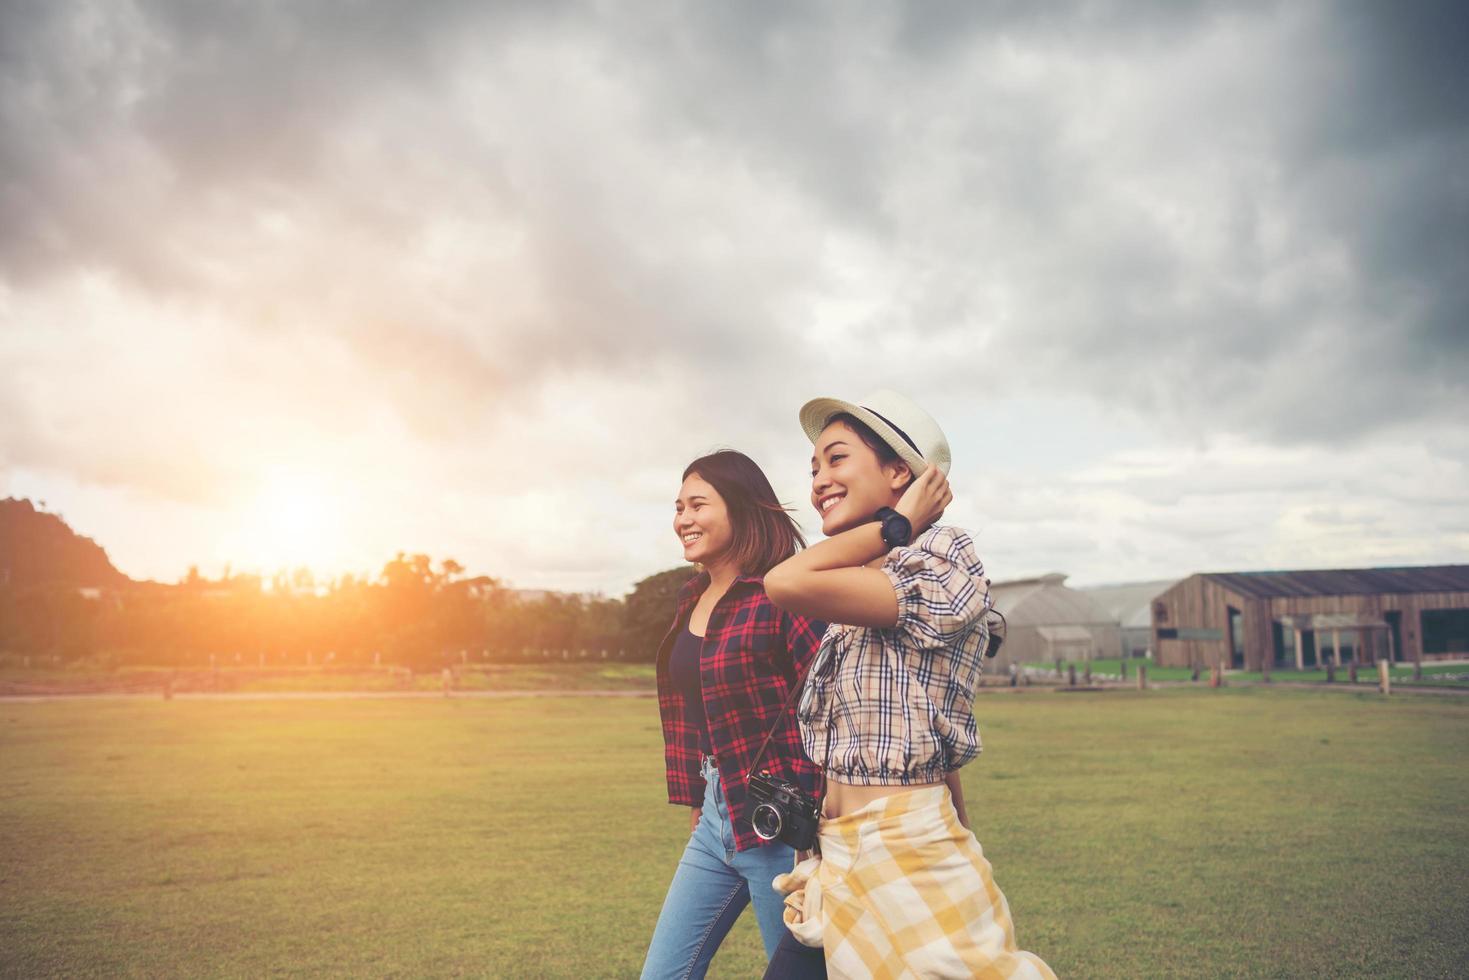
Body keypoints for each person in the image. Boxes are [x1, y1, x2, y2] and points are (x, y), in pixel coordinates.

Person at [762, 390, 1054, 979]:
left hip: (905, 852)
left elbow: (783, 581)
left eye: (837, 458)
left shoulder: (943, 554)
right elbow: (926, 728)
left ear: (903, 472)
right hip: (832, 854)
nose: (819, 479)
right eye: (813, 467)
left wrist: (901, 524)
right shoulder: (858, 579)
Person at [642, 450, 828, 979]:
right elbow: (696, 711)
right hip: (716, 818)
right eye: (678, 507)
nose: (683, 519)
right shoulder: (693, 595)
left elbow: (833, 707)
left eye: (698, 504)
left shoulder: (784, 591)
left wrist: (816, 827)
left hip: (783, 828)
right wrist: (702, 798)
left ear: (742, 508)